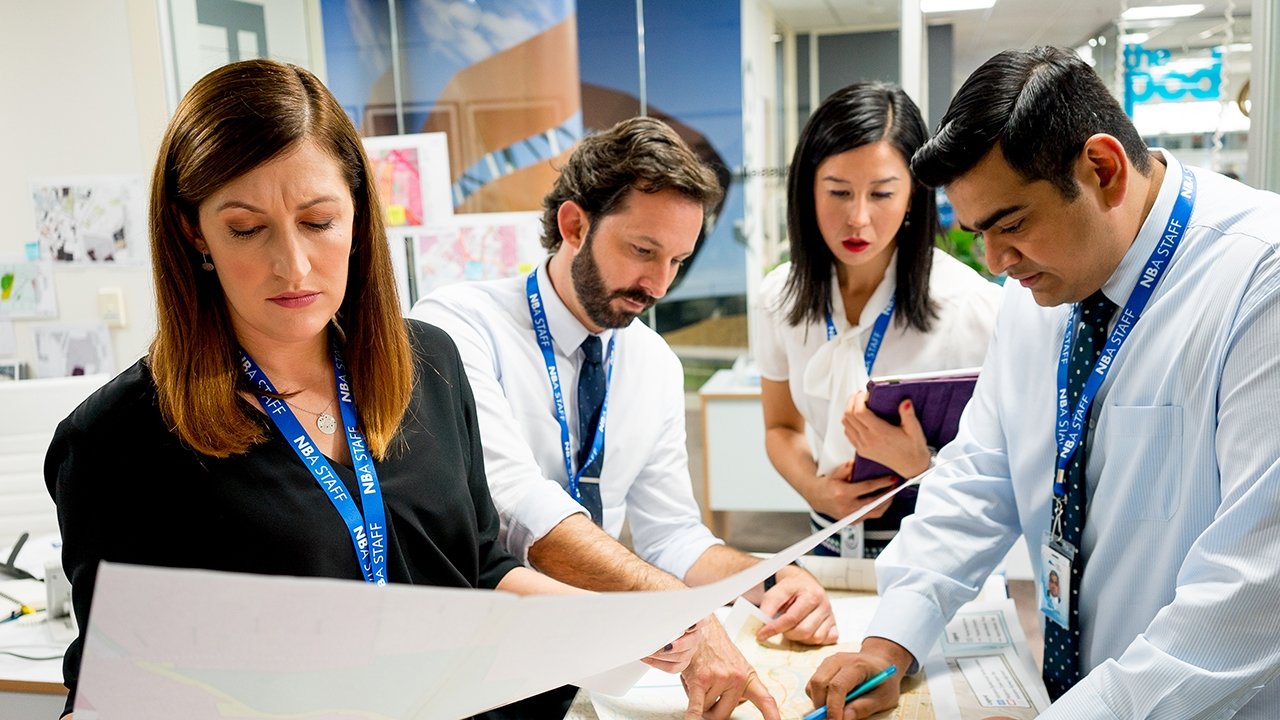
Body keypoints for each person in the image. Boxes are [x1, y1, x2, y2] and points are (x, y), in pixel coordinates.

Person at [43, 59, 694, 720]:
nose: (292, 265)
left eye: (320, 221)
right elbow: (116, 693)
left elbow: (478, 570)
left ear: (359, 212)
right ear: (193, 231)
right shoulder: (118, 439)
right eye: (246, 228)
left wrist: (624, 622)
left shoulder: (429, 363)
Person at [806, 46, 1280, 719]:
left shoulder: (1260, 279)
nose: (997, 262)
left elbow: (1254, 587)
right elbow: (978, 478)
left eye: (1013, 225)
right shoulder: (1044, 291)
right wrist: (890, 642)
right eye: (976, 235)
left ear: (1104, 170)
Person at [411, 116, 837, 720]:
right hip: (483, 658)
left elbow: (671, 534)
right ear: (574, 225)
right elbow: (515, 508)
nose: (658, 284)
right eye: (643, 251)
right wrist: (677, 608)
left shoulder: (652, 361)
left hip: (601, 653)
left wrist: (765, 580)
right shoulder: (457, 327)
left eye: (678, 261)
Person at [753, 81, 1001, 559]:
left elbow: (1003, 466)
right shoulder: (779, 297)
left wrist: (922, 464)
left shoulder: (969, 306)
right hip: (826, 539)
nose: (858, 219)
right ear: (807, 191)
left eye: (882, 193)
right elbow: (780, 427)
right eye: (839, 192)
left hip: (934, 546)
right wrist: (814, 487)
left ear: (913, 196)